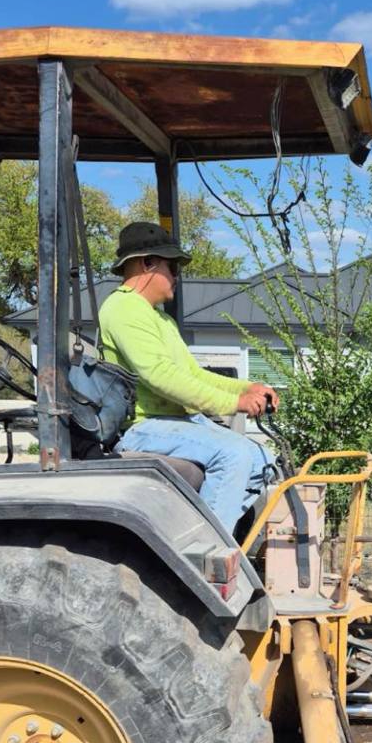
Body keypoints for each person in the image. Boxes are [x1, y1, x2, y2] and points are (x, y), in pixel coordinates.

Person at [98, 221, 281, 534]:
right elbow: (160, 376)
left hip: (178, 423)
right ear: (148, 263)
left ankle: (196, 531)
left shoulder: (160, 318)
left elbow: (192, 375)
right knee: (234, 453)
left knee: (263, 459)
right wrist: (234, 402)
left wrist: (247, 387)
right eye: (173, 267)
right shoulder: (123, 308)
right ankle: (204, 554)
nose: (176, 276)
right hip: (144, 426)